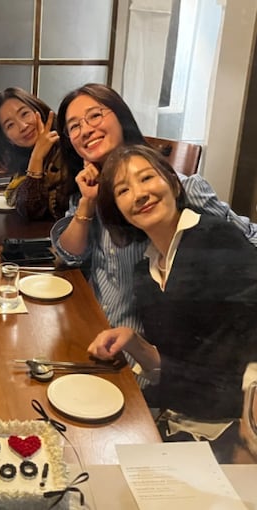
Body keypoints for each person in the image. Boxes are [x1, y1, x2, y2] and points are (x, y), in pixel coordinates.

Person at [87, 144, 257, 461]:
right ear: (118, 209)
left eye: (147, 178)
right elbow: (176, 365)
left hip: (232, 430)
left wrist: (248, 440)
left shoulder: (215, 240)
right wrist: (134, 342)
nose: (140, 194)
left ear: (174, 184)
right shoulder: (146, 271)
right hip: (183, 418)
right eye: (123, 190)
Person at [51, 83, 257, 335]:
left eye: (94, 115)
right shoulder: (87, 188)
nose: (85, 130)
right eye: (74, 126)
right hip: (93, 325)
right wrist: (87, 203)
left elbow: (248, 240)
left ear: (120, 116)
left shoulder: (174, 189)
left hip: (150, 345)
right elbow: (70, 255)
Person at [0, 87, 75, 220]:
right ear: (7, 139)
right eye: (10, 125)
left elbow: (31, 210)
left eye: (24, 114)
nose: (23, 126)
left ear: (37, 110)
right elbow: (23, 205)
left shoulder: (68, 146)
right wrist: (37, 156)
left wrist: (37, 156)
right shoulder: (24, 159)